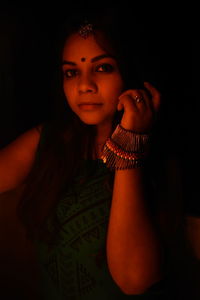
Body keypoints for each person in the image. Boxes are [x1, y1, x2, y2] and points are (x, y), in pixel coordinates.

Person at [0, 12, 175, 299]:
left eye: (103, 68)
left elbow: (134, 280)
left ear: (130, 74)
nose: (84, 85)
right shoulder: (49, 141)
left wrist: (131, 139)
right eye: (71, 72)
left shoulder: (157, 156)